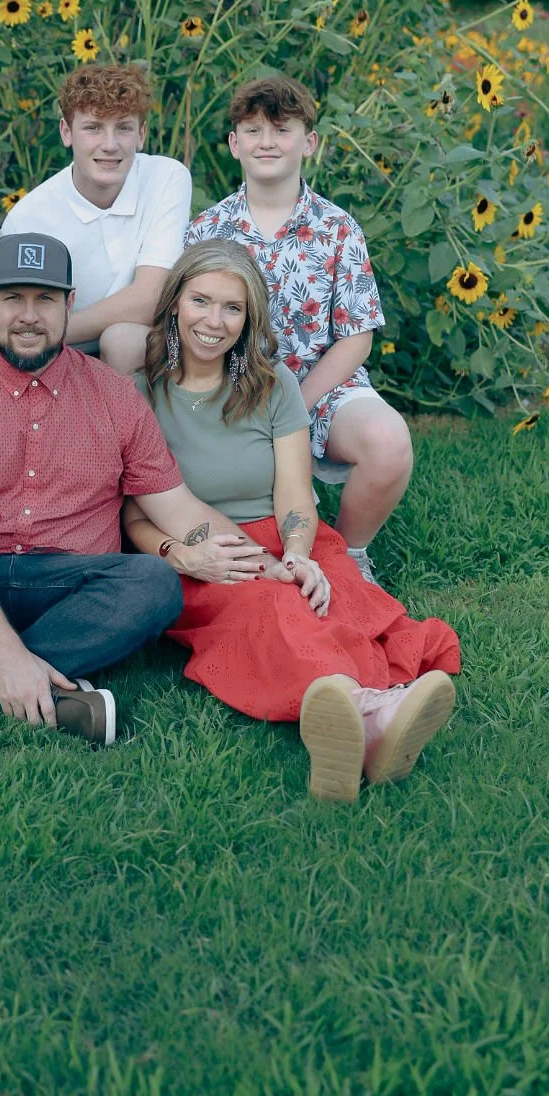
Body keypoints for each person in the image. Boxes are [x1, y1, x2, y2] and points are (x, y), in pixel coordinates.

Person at [0, 233, 286, 742]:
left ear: (68, 305)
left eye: (44, 299)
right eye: (12, 298)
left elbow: (178, 508)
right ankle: (32, 685)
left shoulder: (114, 395)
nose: (28, 315)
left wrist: (271, 564)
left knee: (153, 584)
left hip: (74, 583)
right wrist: (5, 653)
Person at [123, 243, 459, 802]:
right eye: (201, 301)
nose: (214, 321)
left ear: (249, 317)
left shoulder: (272, 383)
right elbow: (134, 511)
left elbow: (296, 495)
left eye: (232, 308)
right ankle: (370, 713)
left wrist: (298, 552)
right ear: (175, 303)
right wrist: (175, 553)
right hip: (200, 552)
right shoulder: (140, 391)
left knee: (332, 596)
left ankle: (358, 722)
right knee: (274, 606)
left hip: (284, 533)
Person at [184, 73, 413, 586]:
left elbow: (357, 336)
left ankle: (349, 552)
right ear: (233, 144)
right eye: (253, 130)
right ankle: (237, 552)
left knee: (389, 441)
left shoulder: (337, 229)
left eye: (282, 129)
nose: (267, 141)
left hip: (320, 389)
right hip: (232, 389)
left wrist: (297, 407)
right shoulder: (207, 230)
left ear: (309, 142)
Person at [0, 64, 192, 373]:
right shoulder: (28, 218)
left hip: (136, 347)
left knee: (121, 340)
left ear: (141, 134)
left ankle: (130, 423)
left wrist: (55, 329)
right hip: (58, 355)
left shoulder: (166, 177)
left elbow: (152, 298)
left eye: (124, 128)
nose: (110, 144)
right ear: (66, 132)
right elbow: (15, 319)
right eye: (93, 127)